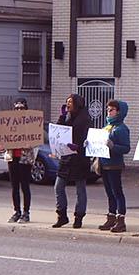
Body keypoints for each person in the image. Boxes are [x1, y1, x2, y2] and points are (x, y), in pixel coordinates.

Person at [52, 94, 91, 229]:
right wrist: (62, 116)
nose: (67, 104)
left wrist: (78, 147)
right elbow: (58, 131)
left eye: (70, 102)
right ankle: (61, 215)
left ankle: (79, 216)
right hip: (66, 158)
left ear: (77, 104)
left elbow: (85, 138)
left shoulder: (84, 118)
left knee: (80, 189)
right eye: (66, 101)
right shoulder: (68, 118)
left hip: (79, 159)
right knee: (58, 186)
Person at [97, 100, 131, 233]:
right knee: (109, 193)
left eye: (112, 110)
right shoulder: (107, 126)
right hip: (104, 164)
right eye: (108, 110)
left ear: (119, 112)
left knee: (117, 192)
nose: (109, 112)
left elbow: (126, 148)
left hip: (114, 165)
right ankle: (111, 217)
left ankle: (121, 220)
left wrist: (113, 146)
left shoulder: (121, 128)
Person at [4, 98, 37, 224]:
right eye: (16, 108)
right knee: (14, 186)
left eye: (21, 108)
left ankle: (26, 212)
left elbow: (37, 139)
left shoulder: (31, 123)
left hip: (25, 158)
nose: (19, 110)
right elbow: (3, 138)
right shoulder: (9, 123)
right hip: (12, 157)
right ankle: (16, 211)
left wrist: (31, 144)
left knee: (25, 186)